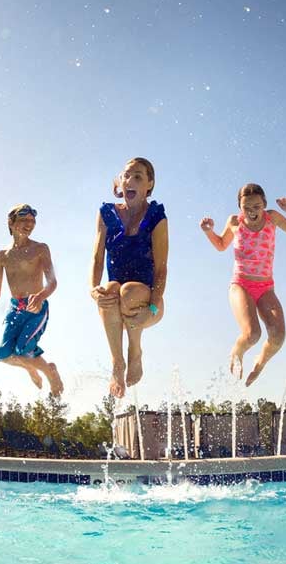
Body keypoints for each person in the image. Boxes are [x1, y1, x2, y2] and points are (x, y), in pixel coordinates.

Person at [200, 184, 286, 386]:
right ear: (240, 207)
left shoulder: (272, 217)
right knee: (253, 335)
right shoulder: (234, 221)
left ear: (264, 204)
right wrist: (209, 232)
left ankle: (259, 364)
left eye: (257, 206)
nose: (252, 212)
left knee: (278, 336)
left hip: (265, 287)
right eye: (246, 207)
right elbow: (221, 245)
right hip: (241, 284)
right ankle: (237, 351)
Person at [90, 158, 169, 398]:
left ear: (149, 185)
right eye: (126, 176)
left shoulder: (156, 217)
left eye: (137, 177)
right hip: (115, 299)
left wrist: (153, 306)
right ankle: (117, 363)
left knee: (128, 291)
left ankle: (135, 351)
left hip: (149, 299)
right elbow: (96, 258)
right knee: (111, 288)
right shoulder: (107, 214)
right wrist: (94, 289)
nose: (130, 181)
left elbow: (161, 270)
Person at [0, 204, 63, 395]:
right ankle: (31, 367)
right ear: (11, 223)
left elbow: (52, 281)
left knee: (22, 349)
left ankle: (49, 372)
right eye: (24, 220)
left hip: (36, 309)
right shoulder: (2, 256)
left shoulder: (40, 249)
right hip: (15, 309)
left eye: (32, 220)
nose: (29, 224)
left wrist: (41, 295)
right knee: (4, 355)